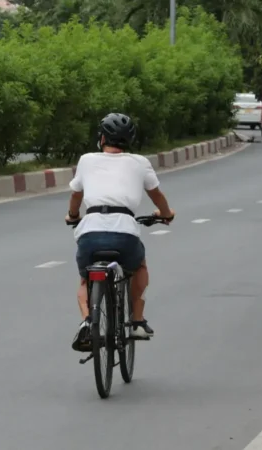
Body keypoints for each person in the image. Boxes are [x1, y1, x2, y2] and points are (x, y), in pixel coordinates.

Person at [65, 112, 175, 352]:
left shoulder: (86, 160)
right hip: (125, 234)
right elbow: (156, 195)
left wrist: (73, 216)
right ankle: (136, 321)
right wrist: (165, 214)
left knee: (86, 277)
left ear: (102, 138)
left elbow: (76, 195)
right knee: (139, 266)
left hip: (90, 233)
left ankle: (87, 320)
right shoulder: (139, 163)